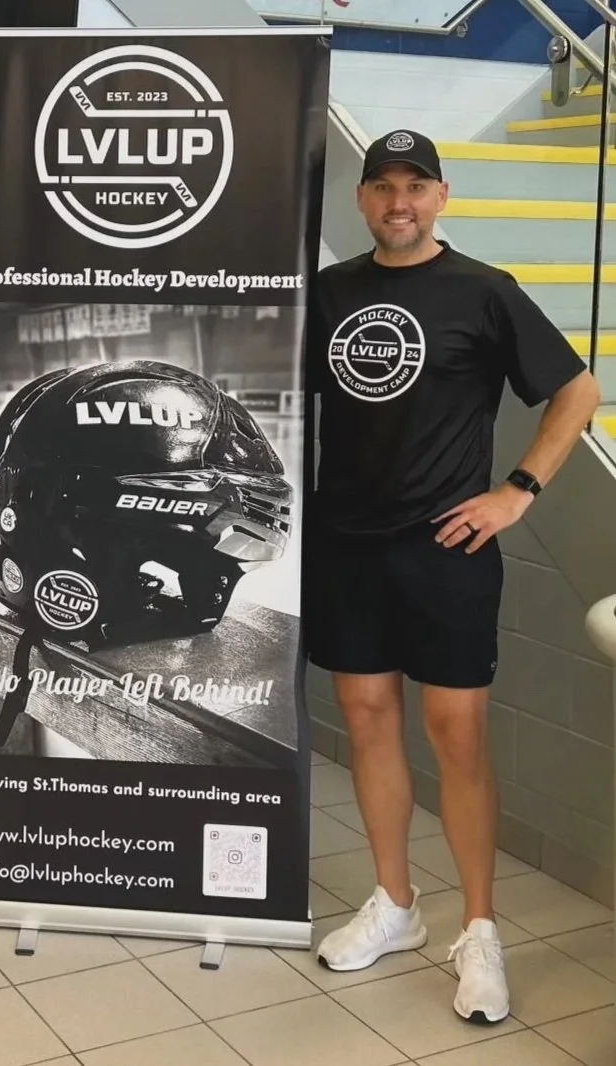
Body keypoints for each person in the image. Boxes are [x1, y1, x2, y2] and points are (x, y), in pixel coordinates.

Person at [304, 129, 601, 1024]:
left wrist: (516, 491)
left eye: (414, 186)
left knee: (456, 735)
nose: (398, 202)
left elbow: (577, 390)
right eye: (382, 187)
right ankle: (395, 904)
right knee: (366, 720)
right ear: (361, 199)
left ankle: (478, 930)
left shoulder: (483, 290)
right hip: (346, 544)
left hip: (447, 548)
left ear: (440, 196)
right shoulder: (329, 292)